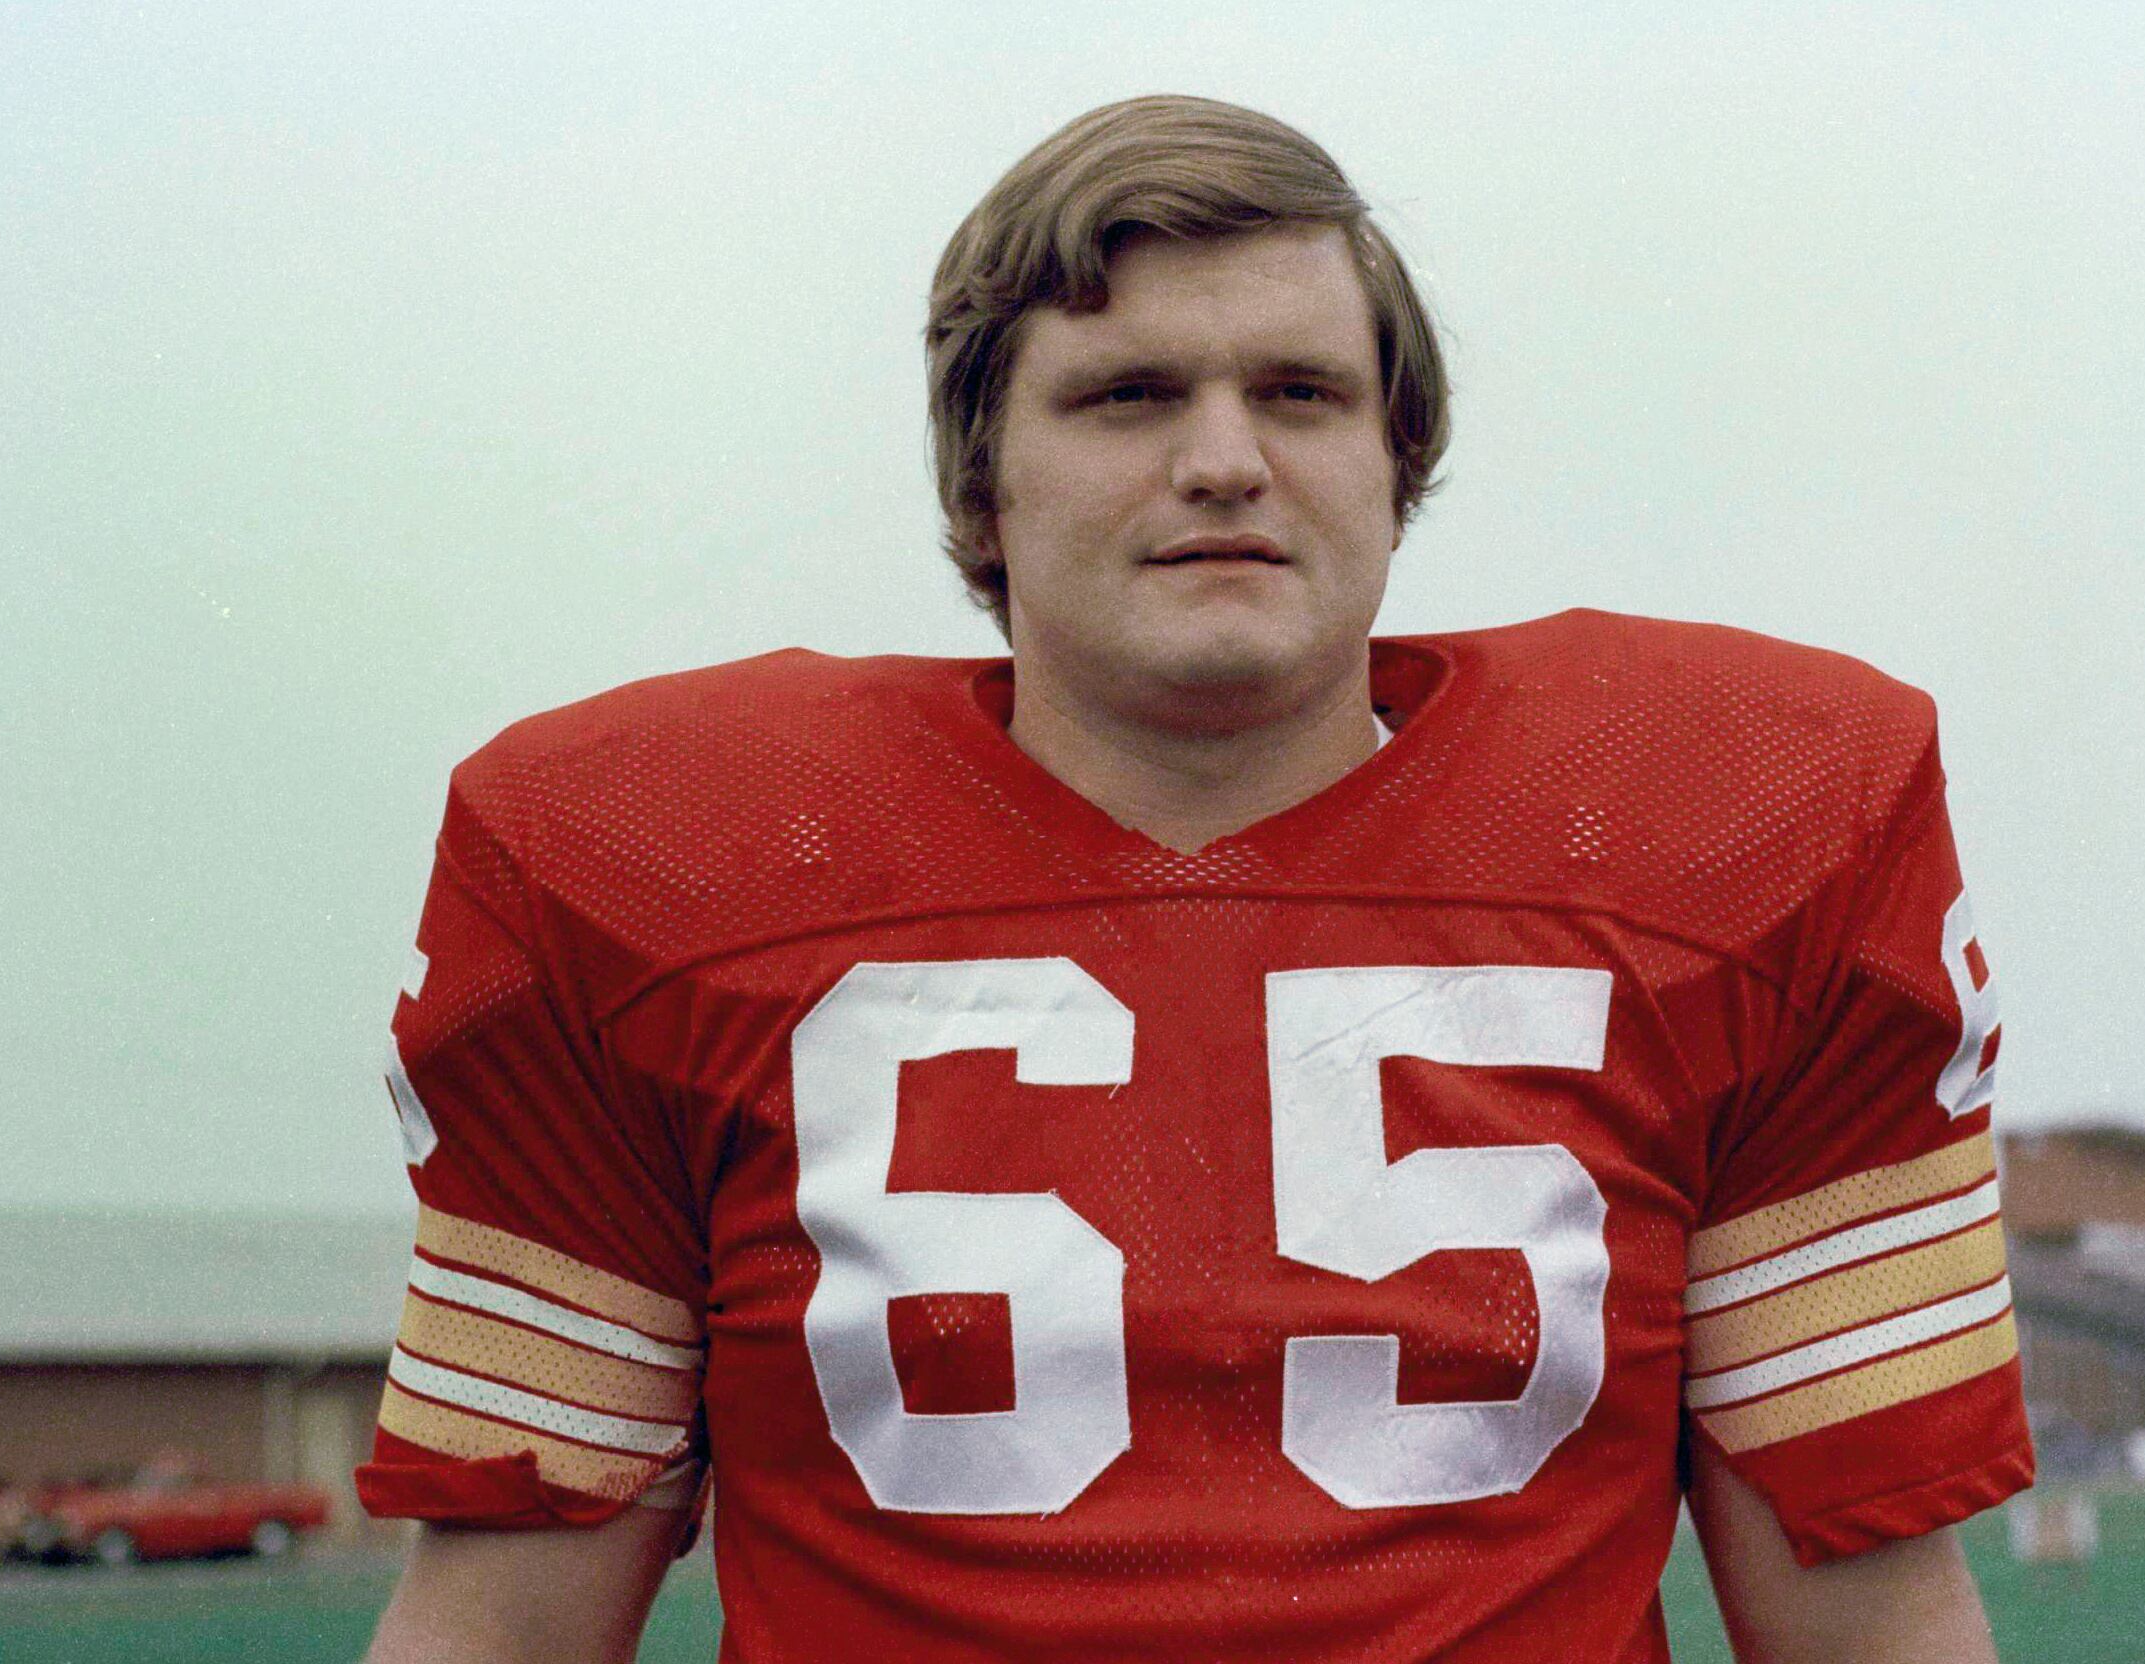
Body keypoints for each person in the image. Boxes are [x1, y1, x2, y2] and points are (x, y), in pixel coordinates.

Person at [359, 95, 2029, 1663]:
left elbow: (1871, 1616)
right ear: (980, 480)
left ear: (1397, 465)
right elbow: (501, 1619)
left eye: (1301, 394)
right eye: (1129, 396)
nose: (1225, 460)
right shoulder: (641, 866)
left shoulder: (1747, 835)